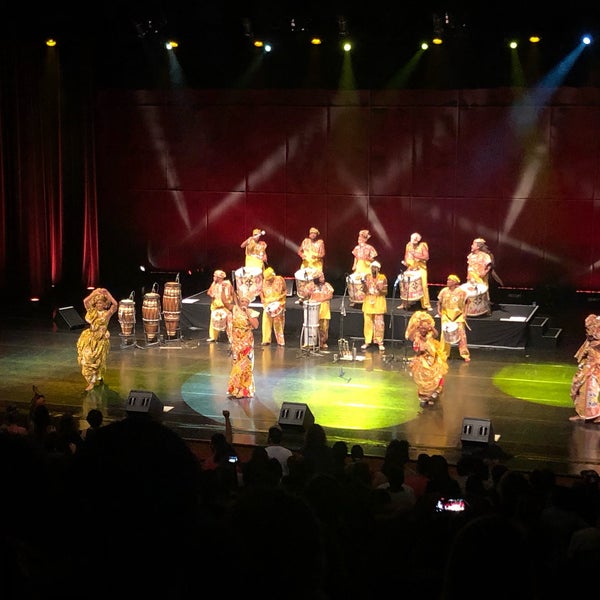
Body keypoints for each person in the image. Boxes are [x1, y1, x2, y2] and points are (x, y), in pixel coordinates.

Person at [76, 287, 118, 391]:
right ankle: (91, 381)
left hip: (101, 340)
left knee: (98, 361)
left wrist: (107, 293)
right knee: (87, 358)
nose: (99, 305)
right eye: (97, 303)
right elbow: (85, 301)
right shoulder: (92, 312)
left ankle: (96, 378)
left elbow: (115, 305)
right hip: (89, 338)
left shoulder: (106, 314)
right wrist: (94, 293)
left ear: (104, 304)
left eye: (101, 303)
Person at [404, 310, 448, 407]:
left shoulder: (430, 334)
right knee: (423, 379)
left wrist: (432, 327)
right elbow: (412, 341)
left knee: (437, 376)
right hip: (423, 360)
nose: (423, 330)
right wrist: (421, 350)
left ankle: (433, 395)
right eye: (421, 328)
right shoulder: (417, 337)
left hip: (434, 358)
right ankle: (424, 397)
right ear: (418, 328)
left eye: (425, 328)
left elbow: (436, 334)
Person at [222, 289, 260, 399]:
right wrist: (224, 289)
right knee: (237, 364)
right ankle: (235, 389)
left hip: (246, 340)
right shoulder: (235, 309)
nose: (243, 303)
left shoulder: (252, 312)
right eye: (242, 301)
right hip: (237, 340)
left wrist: (247, 313)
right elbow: (225, 302)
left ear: (248, 303)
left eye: (245, 301)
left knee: (245, 365)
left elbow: (256, 325)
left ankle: (245, 390)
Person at [569, 313, 600, 422]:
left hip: (595, 367)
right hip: (588, 365)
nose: (588, 330)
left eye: (590, 328)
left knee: (589, 389)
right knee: (579, 388)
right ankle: (582, 413)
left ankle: (594, 415)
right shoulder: (590, 340)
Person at [437, 274, 471, 362]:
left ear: (455, 282)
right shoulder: (444, 291)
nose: (447, 281)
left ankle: (464, 354)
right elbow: (439, 302)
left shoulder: (461, 292)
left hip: (458, 316)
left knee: (461, 335)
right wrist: (438, 311)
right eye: (447, 280)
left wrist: (465, 313)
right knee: (444, 335)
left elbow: (467, 302)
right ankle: (444, 354)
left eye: (449, 280)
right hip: (446, 315)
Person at [398, 232, 432, 311]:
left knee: (423, 285)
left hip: (421, 268)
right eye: (411, 239)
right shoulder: (408, 245)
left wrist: (415, 255)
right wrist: (406, 263)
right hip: (411, 267)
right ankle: (405, 303)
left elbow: (426, 257)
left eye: (414, 240)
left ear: (418, 240)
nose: (412, 241)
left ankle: (426, 304)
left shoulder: (422, 245)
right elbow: (406, 255)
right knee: (404, 283)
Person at [360, 260, 388, 351]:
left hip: (378, 301)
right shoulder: (367, 277)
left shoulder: (382, 277)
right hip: (368, 301)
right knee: (367, 323)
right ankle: (367, 341)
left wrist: (380, 289)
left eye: (375, 268)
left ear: (378, 269)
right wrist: (364, 284)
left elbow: (385, 292)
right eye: (372, 268)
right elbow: (364, 290)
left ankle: (380, 342)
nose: (373, 269)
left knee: (379, 324)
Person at [304, 271, 335, 349]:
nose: (323, 278)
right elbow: (305, 295)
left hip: (324, 308)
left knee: (324, 326)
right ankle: (311, 342)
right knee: (312, 326)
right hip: (313, 309)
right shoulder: (310, 286)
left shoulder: (327, 285)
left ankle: (322, 342)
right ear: (316, 279)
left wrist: (320, 299)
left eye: (323, 276)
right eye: (321, 277)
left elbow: (330, 295)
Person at [259, 267, 287, 346]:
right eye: (267, 279)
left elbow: (285, 290)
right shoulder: (264, 281)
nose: (268, 281)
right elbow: (260, 291)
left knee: (277, 321)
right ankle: (266, 339)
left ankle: (280, 341)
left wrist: (282, 300)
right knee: (266, 320)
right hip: (268, 303)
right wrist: (262, 298)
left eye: (269, 279)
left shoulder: (280, 279)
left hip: (278, 302)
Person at [206, 269, 234, 343]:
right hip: (216, 306)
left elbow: (232, 293)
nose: (214, 277)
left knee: (229, 321)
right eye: (214, 276)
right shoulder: (214, 284)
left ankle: (231, 337)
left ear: (219, 277)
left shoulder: (227, 284)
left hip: (225, 306)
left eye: (215, 276)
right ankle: (213, 337)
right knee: (213, 320)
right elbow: (209, 292)